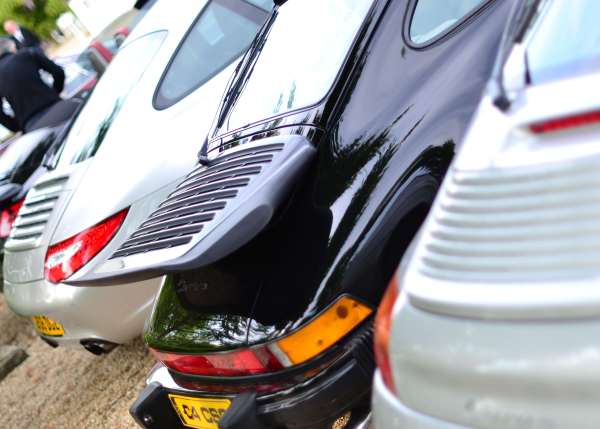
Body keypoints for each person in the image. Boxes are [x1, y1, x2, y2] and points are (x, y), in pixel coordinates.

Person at [0, 37, 65, 133]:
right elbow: (58, 72)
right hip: (55, 107)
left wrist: (17, 126)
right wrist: (55, 92)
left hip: (31, 125)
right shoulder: (28, 54)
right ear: (12, 48)